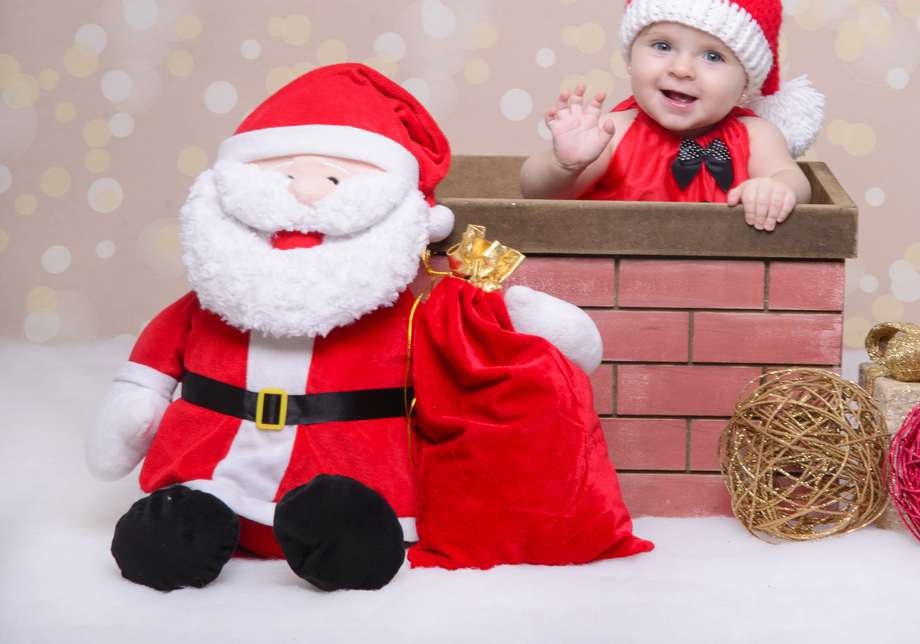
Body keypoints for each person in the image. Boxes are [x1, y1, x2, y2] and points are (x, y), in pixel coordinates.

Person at [85, 64, 648, 592]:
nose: (305, 193)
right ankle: (191, 520)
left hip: (354, 475)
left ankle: (338, 528)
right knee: (166, 540)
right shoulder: (206, 304)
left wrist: (525, 316)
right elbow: (149, 375)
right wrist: (134, 410)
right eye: (284, 173)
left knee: (347, 529)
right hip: (209, 473)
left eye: (333, 176)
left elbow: (485, 326)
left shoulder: (410, 310)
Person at [520, 0, 824, 231]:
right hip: (620, 274)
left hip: (722, 277)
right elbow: (539, 195)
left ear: (745, 86)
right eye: (662, 46)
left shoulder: (756, 135)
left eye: (713, 56)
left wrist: (777, 189)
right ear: (630, 58)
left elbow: (793, 179)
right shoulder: (611, 133)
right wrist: (564, 165)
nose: (681, 69)